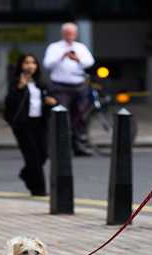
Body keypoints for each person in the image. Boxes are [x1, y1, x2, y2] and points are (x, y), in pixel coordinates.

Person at [4, 54, 57, 196]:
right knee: (32, 157)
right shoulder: (15, 82)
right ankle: (39, 190)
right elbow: (10, 103)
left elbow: (48, 100)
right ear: (21, 66)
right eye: (26, 63)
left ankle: (26, 174)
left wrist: (52, 102)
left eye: (33, 62)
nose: (30, 65)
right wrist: (20, 87)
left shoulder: (41, 83)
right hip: (23, 125)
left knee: (43, 154)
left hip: (39, 123)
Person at [43, 22, 95, 155]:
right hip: (60, 87)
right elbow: (47, 64)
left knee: (80, 117)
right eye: (67, 33)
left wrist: (77, 59)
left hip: (79, 86)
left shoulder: (80, 47)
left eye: (72, 33)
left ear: (75, 34)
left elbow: (90, 62)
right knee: (61, 117)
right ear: (62, 33)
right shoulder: (54, 47)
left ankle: (79, 146)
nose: (69, 36)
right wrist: (61, 57)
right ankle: (60, 147)